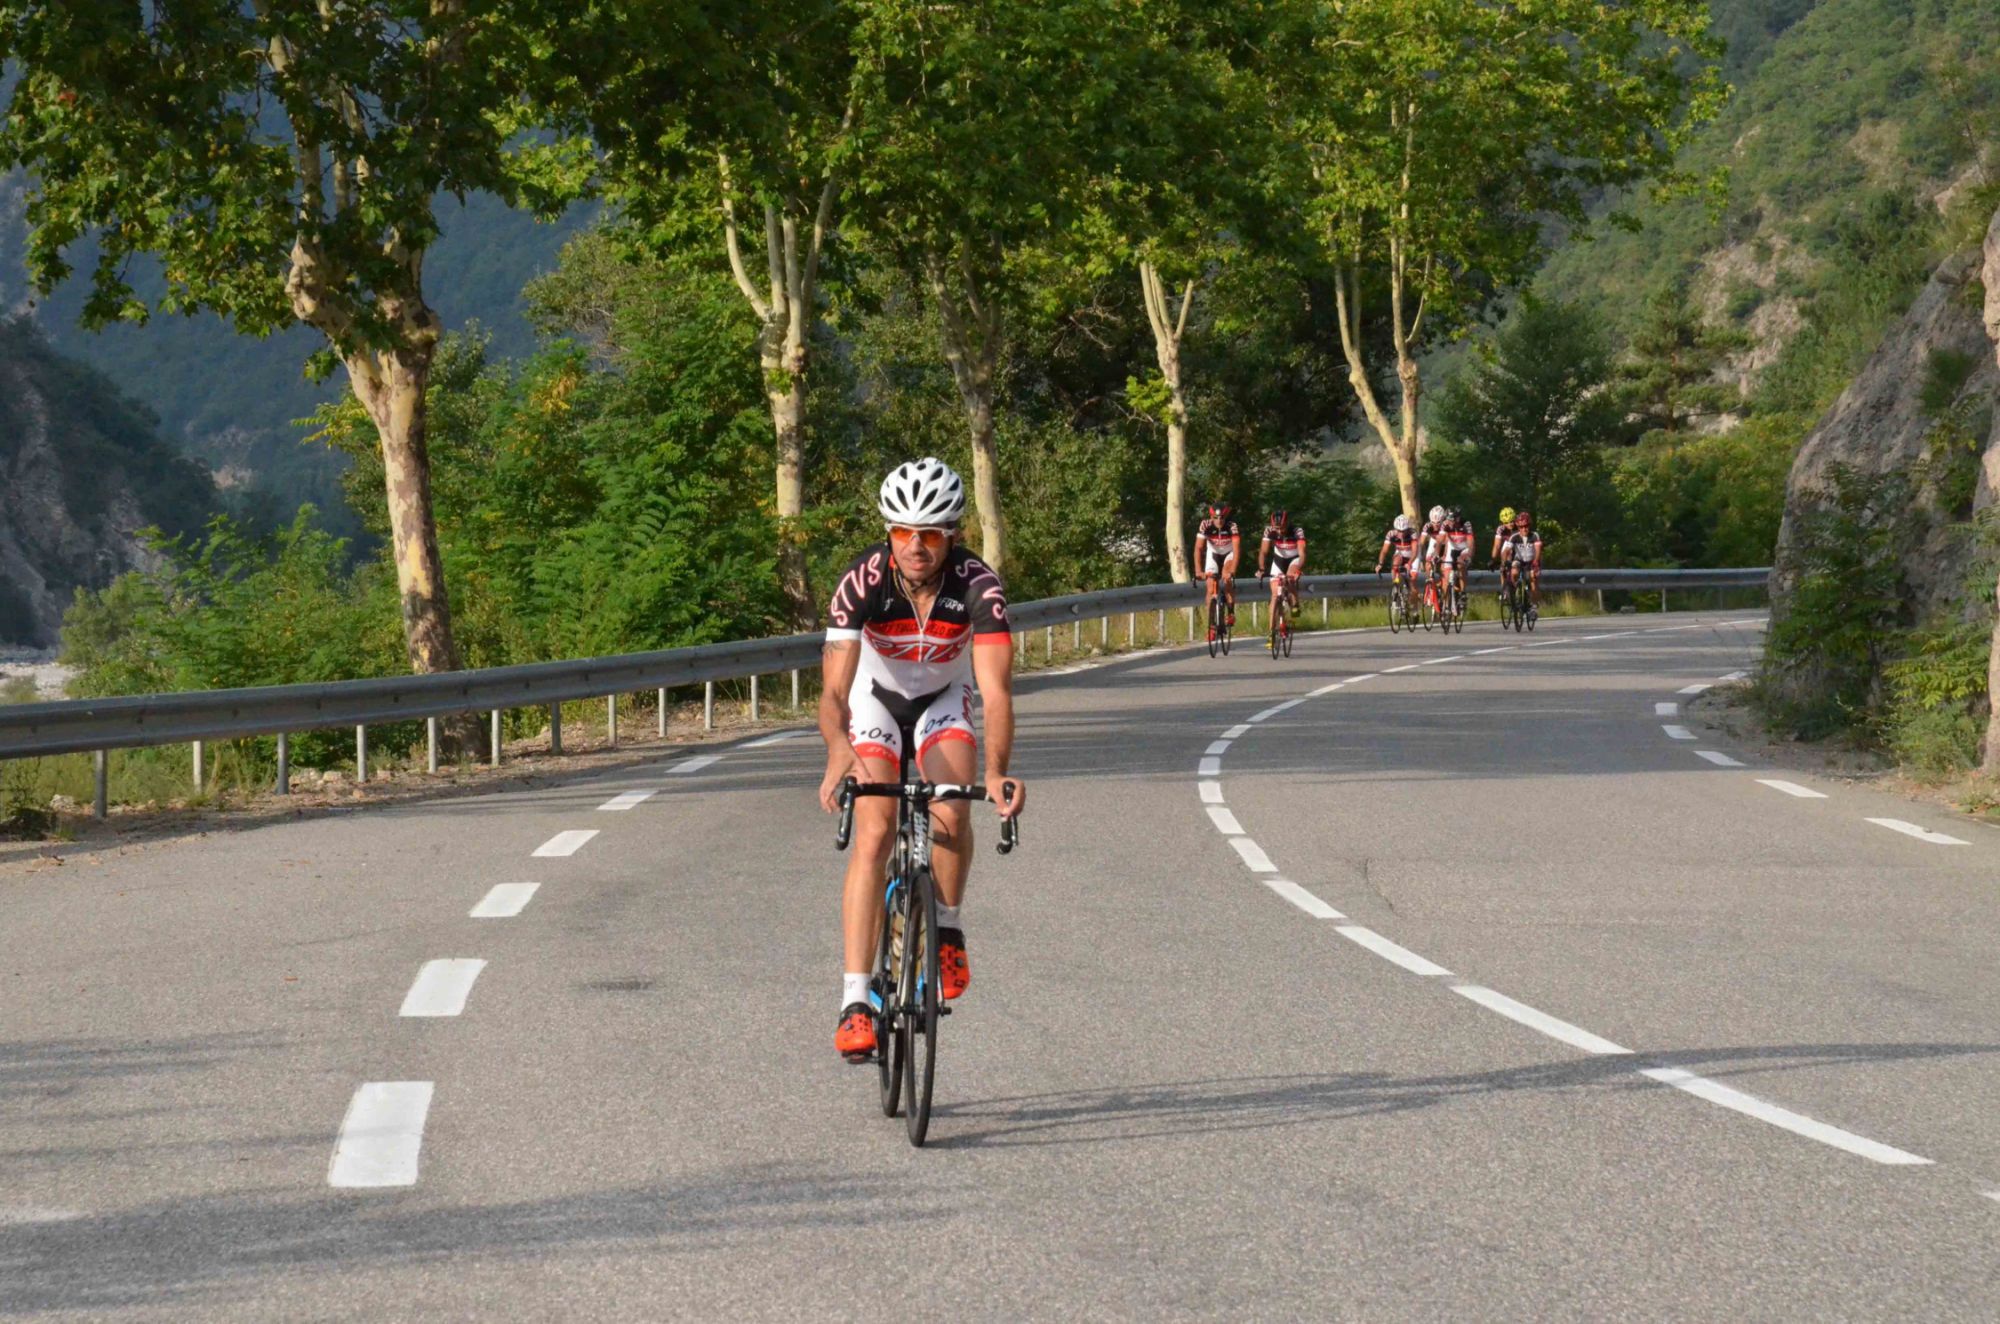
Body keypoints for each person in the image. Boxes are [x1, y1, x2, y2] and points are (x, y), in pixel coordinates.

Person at [818, 457, 1025, 1061]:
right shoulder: (862, 581)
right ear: (889, 531)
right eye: (904, 531)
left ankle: (948, 926)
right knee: (875, 831)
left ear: (952, 535)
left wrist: (997, 771)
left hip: (942, 698)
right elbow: (833, 693)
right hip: (873, 699)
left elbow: (996, 692)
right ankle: (856, 1001)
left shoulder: (978, 586)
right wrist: (838, 750)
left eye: (930, 533)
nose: (915, 545)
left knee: (953, 811)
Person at [1193, 501, 1241, 636]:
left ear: (1226, 517)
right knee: (1210, 587)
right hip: (1213, 554)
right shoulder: (1205, 525)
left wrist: (1232, 571)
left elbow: (1237, 550)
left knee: (1226, 579)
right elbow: (1198, 548)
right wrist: (1198, 571)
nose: (1219, 520)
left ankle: (1230, 612)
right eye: (1215, 518)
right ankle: (1211, 625)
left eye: (1222, 518)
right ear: (1211, 517)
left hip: (1229, 554)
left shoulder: (1232, 526)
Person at [1257, 508, 1307, 637]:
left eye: (1282, 528)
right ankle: (1272, 632)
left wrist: (1298, 570)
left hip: (1294, 559)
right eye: (1277, 528)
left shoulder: (1297, 531)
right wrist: (1261, 569)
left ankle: (1295, 603)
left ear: (1287, 523)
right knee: (1275, 595)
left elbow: (1302, 554)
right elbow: (1263, 552)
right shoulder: (1269, 531)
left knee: (1289, 579)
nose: (1279, 531)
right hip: (1279, 561)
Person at [1510, 509, 1545, 609]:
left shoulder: (1534, 535)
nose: (1524, 529)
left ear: (1530, 526)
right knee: (1514, 572)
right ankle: (1515, 592)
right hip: (1519, 560)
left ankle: (1534, 605)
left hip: (1532, 561)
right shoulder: (1514, 536)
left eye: (1526, 526)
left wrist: (1536, 562)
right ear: (1518, 527)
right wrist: (1505, 561)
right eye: (1521, 527)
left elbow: (1538, 550)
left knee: (1533, 579)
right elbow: (1506, 550)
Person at [1375, 513, 1419, 591]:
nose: (1401, 533)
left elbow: (1415, 552)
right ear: (1395, 529)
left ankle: (1413, 594)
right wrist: (1380, 564)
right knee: (1395, 564)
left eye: (1404, 531)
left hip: (1413, 556)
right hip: (1400, 553)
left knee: (1412, 581)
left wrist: (1409, 563)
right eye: (1399, 531)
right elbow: (1384, 551)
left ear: (1407, 529)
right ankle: (1396, 587)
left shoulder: (1412, 533)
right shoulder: (1391, 534)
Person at [1491, 506, 1518, 608]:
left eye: (1512, 521)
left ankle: (1517, 588)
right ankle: (1505, 589)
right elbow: (1497, 546)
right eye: (1507, 522)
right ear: (1502, 522)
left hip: (1518, 548)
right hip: (1506, 548)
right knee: (1503, 565)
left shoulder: (1518, 527)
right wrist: (1493, 559)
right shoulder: (1500, 529)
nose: (1510, 524)